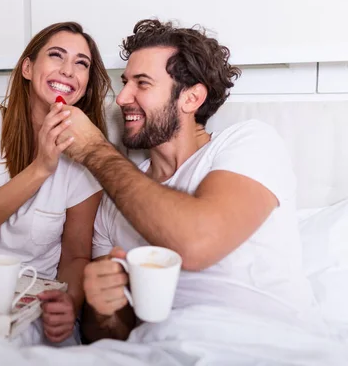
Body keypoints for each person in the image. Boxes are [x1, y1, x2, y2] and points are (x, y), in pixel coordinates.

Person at [52, 19, 324, 342]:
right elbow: (104, 338)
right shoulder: (112, 201)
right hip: (157, 351)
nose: (122, 97)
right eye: (125, 82)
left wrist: (96, 151)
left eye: (142, 83)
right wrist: (103, 307)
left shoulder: (248, 144)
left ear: (191, 98)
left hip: (264, 346)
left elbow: (197, 242)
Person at [0, 22, 111, 345]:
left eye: (81, 63)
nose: (68, 71)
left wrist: (70, 302)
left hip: (33, 306)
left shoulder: (89, 156)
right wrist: (41, 168)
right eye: (56, 56)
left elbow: (77, 256)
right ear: (27, 67)